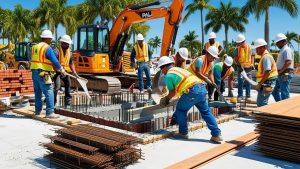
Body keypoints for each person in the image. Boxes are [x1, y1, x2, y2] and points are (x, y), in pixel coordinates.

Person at [158, 56, 222, 142]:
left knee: (180, 110)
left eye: (161, 68)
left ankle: (183, 133)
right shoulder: (178, 69)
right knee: (206, 112)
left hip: (192, 91)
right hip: (202, 88)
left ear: (164, 67)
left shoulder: (168, 76)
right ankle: (216, 134)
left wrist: (166, 99)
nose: (162, 71)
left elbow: (172, 92)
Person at [30, 30, 66, 118]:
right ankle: (49, 112)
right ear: (47, 38)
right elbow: (54, 60)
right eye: (50, 39)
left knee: (38, 91)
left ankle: (37, 111)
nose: (51, 41)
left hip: (34, 72)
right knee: (49, 90)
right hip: (44, 73)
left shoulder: (34, 47)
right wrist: (61, 69)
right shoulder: (47, 48)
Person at [53, 35, 79, 106]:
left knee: (68, 85)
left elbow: (71, 63)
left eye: (68, 44)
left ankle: (67, 103)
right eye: (66, 44)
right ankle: (53, 103)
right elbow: (53, 62)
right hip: (57, 72)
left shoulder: (69, 52)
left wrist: (74, 72)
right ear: (62, 43)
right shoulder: (56, 51)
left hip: (65, 72)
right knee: (57, 87)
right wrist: (57, 70)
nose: (67, 45)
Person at [252, 38, 278, 107]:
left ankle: (263, 116)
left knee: (262, 103)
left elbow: (267, 72)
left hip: (268, 82)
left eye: (257, 49)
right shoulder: (264, 56)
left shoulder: (266, 57)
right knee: (260, 102)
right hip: (266, 82)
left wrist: (260, 83)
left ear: (262, 48)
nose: (256, 51)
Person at [272, 33, 294, 101]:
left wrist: (280, 72)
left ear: (282, 41)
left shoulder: (286, 50)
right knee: (274, 91)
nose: (276, 44)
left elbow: (288, 62)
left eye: (277, 43)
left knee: (284, 93)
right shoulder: (282, 50)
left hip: (285, 74)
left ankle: (285, 109)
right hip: (281, 73)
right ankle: (280, 105)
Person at [234, 34, 255, 102]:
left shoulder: (250, 47)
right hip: (241, 67)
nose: (240, 44)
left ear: (244, 41)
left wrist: (252, 63)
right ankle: (240, 95)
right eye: (239, 43)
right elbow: (236, 58)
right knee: (240, 82)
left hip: (248, 67)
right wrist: (238, 64)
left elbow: (252, 56)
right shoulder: (237, 48)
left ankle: (248, 96)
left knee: (248, 81)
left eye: (240, 42)